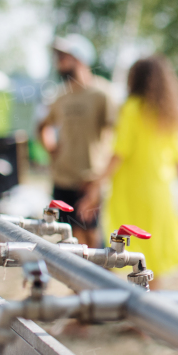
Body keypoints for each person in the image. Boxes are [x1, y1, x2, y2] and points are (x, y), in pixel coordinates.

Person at [103, 55, 178, 283]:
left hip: (132, 190)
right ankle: (151, 308)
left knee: (125, 246)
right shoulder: (170, 113)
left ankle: (124, 306)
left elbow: (120, 152)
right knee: (154, 252)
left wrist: (96, 183)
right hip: (160, 190)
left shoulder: (131, 108)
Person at [36, 34, 116, 247]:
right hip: (63, 179)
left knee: (92, 240)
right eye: (57, 56)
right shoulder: (60, 96)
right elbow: (42, 126)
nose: (58, 61)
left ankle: (99, 281)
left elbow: (117, 134)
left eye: (64, 56)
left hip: (89, 180)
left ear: (80, 58)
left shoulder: (102, 93)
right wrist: (52, 150)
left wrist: (101, 178)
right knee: (71, 240)